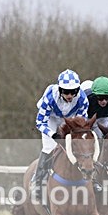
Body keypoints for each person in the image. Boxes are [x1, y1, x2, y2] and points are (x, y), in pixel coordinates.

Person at [31, 68, 89, 200]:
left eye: (73, 92)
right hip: (50, 119)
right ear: (60, 90)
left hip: (69, 119)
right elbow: (40, 123)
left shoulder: (82, 100)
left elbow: (81, 123)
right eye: (66, 92)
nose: (69, 95)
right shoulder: (50, 98)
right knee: (49, 147)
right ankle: (38, 182)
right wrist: (53, 134)